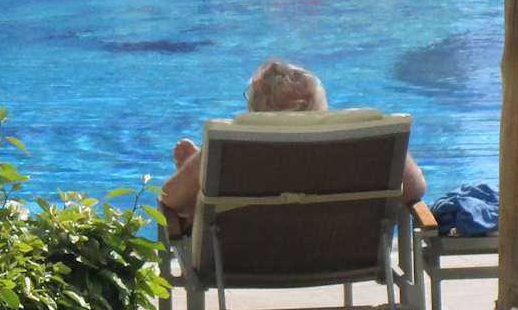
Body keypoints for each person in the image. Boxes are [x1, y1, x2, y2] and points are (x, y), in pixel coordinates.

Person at [159, 59, 426, 235]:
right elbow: (414, 189)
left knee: (203, 201)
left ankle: (198, 188)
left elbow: (168, 199)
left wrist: (194, 169)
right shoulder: (364, 142)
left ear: (255, 109)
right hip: (339, 252)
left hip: (243, 257)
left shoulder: (229, 147)